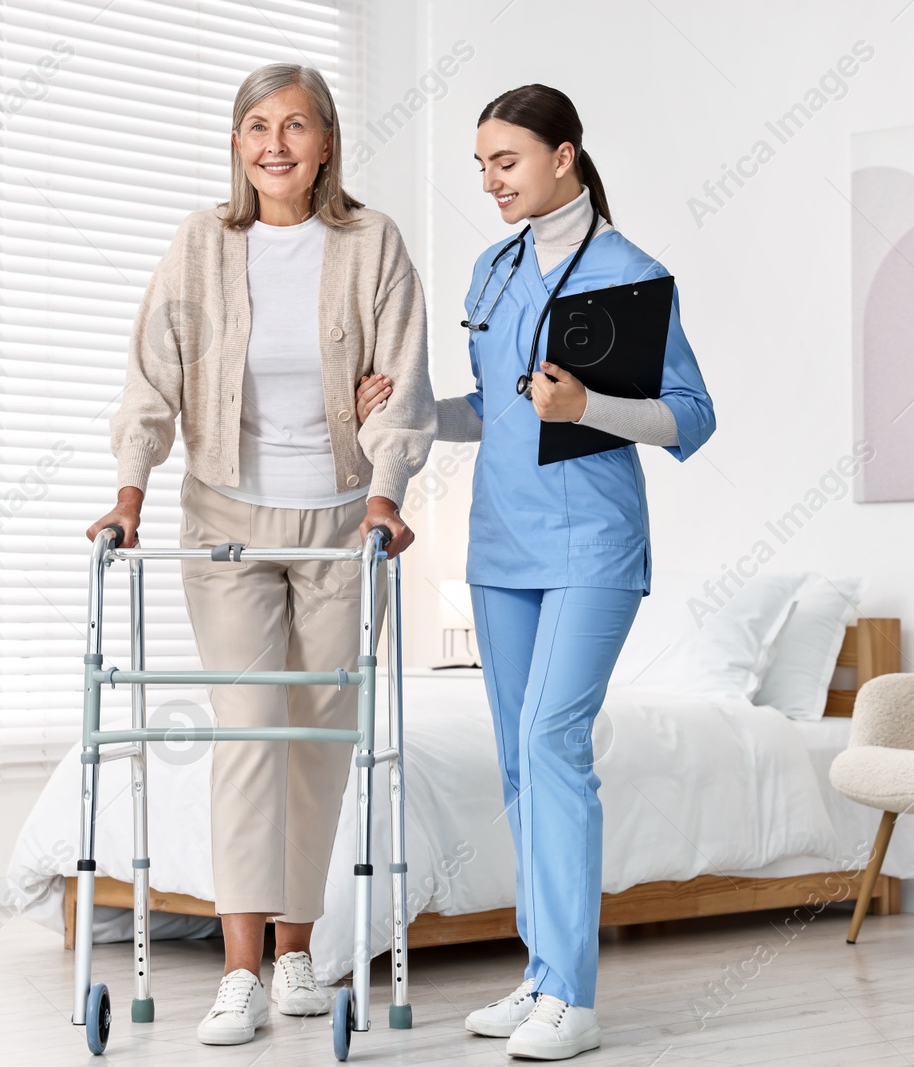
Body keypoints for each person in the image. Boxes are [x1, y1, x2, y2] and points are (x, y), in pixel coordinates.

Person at [357, 84, 714, 1061]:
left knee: (554, 738)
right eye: (479, 164)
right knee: (518, 756)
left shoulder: (631, 273)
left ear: (564, 154)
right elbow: (495, 406)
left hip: (592, 544)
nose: (489, 180)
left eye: (505, 160)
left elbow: (689, 416)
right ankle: (543, 974)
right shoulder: (495, 267)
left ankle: (577, 997)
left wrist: (592, 406)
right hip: (499, 545)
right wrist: (405, 410)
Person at [87, 63, 434, 1047]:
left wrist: (384, 495)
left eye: (294, 126)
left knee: (320, 739)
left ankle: (295, 951)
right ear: (237, 144)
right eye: (255, 127)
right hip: (226, 523)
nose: (274, 144)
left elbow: (403, 383)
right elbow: (150, 380)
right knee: (249, 729)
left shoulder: (372, 245)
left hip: (337, 523)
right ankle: (238, 968)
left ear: (326, 140)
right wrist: (127, 492)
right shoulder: (200, 245)